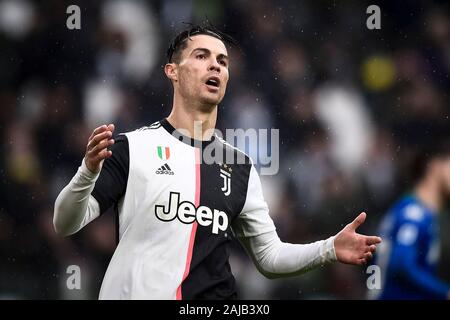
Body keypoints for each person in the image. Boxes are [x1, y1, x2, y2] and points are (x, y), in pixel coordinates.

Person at [53, 24, 381, 300]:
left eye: (223, 61)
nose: (216, 66)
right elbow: (65, 222)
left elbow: (269, 257)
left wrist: (329, 248)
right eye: (202, 56)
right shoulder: (133, 147)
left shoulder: (239, 166)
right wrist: (88, 171)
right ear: (173, 72)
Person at [371, 143, 450, 300]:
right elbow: (402, 265)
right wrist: (444, 292)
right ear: (435, 167)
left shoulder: (416, 212)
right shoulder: (413, 215)